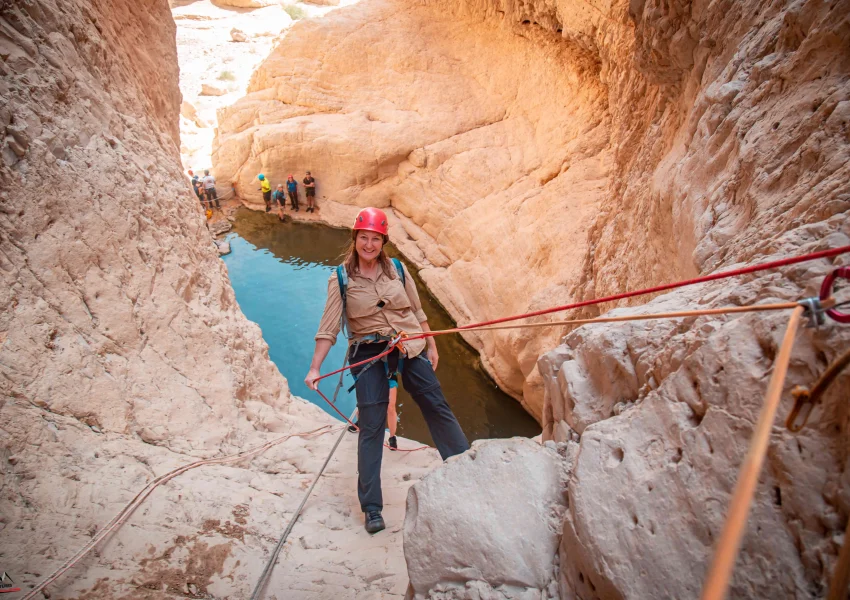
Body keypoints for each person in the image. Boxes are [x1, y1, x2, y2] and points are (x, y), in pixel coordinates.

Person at [305, 207, 469, 534]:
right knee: (372, 424)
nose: (369, 244)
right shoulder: (341, 278)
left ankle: (466, 469)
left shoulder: (398, 270)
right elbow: (328, 329)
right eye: (364, 238)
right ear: (355, 238)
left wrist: (431, 344)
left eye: (375, 239)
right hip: (368, 352)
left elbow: (417, 312)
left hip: (408, 343)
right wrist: (314, 368)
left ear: (383, 242)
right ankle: (371, 507)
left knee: (436, 405)